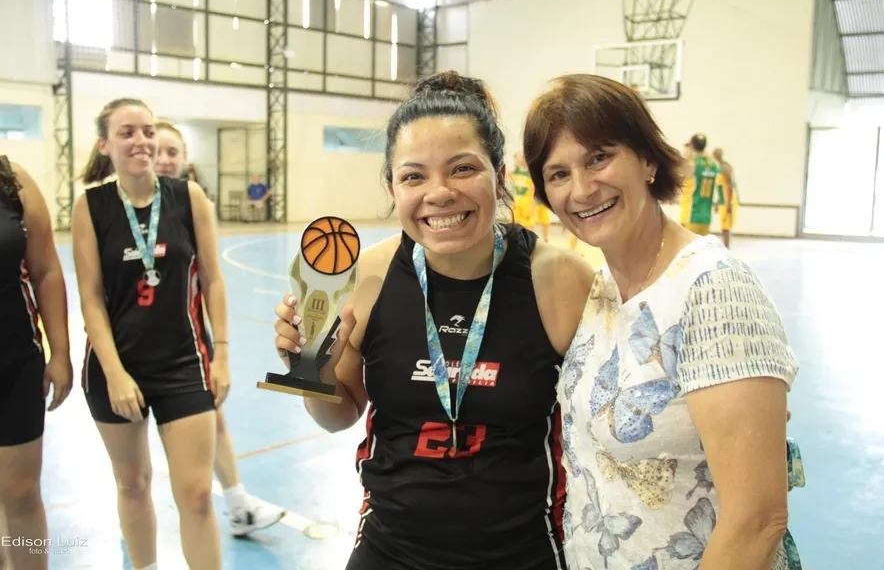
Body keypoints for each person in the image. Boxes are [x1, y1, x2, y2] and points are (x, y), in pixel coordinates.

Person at [273, 71, 593, 570]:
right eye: (414, 175)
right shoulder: (369, 277)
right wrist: (310, 373)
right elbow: (340, 415)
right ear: (392, 186)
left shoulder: (559, 281)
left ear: (500, 175)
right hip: (390, 545)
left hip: (524, 550)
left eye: (462, 168)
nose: (439, 193)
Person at [522, 74, 802, 570]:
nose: (582, 189)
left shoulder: (714, 290)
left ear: (648, 160)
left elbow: (756, 522)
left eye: (599, 157)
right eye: (558, 173)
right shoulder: (601, 290)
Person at [72, 98, 230, 570]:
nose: (141, 141)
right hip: (117, 369)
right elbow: (91, 298)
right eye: (127, 133)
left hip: (185, 363)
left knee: (198, 495)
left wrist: (220, 352)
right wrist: (116, 374)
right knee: (133, 484)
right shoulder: (92, 206)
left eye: (147, 131)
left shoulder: (188, 197)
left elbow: (214, 279)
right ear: (105, 145)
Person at [154, 120, 285, 535]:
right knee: (135, 437)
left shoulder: (192, 205)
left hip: (187, 341)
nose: (164, 159)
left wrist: (221, 350)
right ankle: (135, 514)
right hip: (133, 346)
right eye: (157, 150)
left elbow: (212, 278)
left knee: (213, 417)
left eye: (173, 152)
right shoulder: (110, 210)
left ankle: (238, 505)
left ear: (185, 159)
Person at [0, 145, 73, 570]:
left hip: (12, 365)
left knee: (21, 496)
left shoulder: (9, 181)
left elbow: (47, 271)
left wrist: (61, 353)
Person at [678, 133, 720, 236]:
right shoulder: (714, 165)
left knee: (688, 249)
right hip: (706, 216)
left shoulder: (692, 165)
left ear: (691, 146)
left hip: (690, 215)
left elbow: (677, 180)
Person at [713, 147, 739, 248]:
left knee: (726, 227)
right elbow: (721, 188)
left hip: (729, 201)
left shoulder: (725, 168)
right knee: (723, 227)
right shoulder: (718, 168)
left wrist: (729, 204)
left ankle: (727, 248)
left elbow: (729, 186)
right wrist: (717, 202)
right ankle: (725, 246)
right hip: (723, 201)